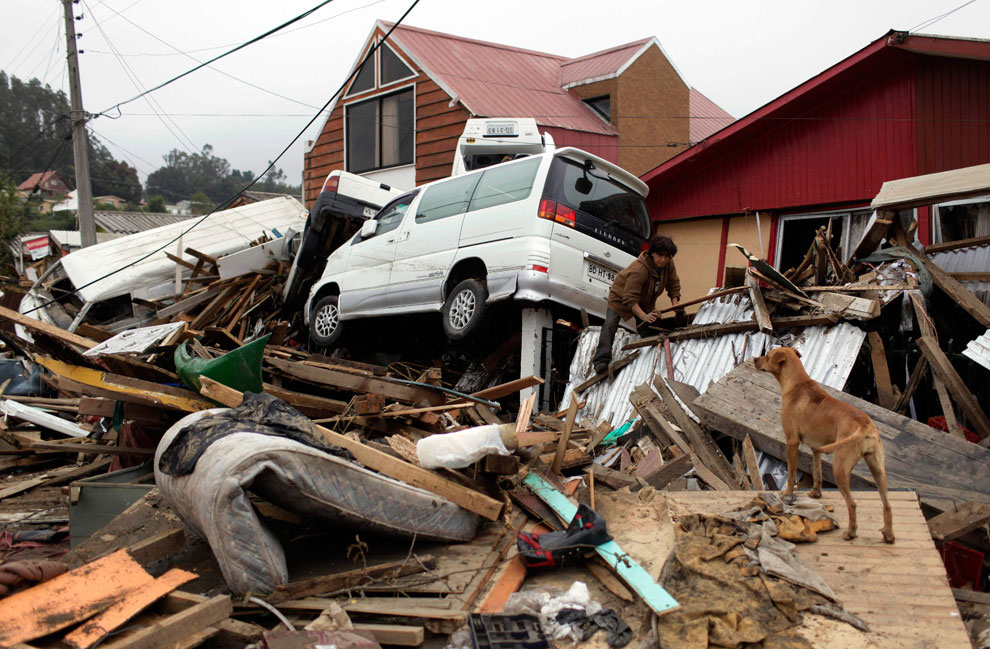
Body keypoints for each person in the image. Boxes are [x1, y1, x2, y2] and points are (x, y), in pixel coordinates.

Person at [592, 235, 681, 374]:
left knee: (650, 328)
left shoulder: (668, 264)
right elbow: (629, 298)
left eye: (667, 256)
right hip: (621, 298)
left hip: (645, 300)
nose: (663, 260)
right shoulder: (639, 269)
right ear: (652, 253)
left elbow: (673, 284)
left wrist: (675, 306)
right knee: (610, 324)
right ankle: (600, 361)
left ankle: (649, 359)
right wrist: (644, 316)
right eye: (660, 256)